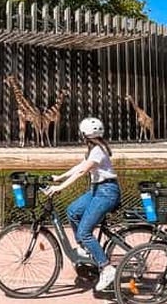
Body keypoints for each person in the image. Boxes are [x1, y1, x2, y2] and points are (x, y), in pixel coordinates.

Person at [45, 117, 121, 292]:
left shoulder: (97, 151)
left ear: (85, 134)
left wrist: (60, 188)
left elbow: (81, 172)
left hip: (107, 192)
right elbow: (80, 166)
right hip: (98, 190)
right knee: (72, 211)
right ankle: (85, 249)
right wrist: (59, 177)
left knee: (85, 232)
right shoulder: (95, 148)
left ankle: (106, 268)